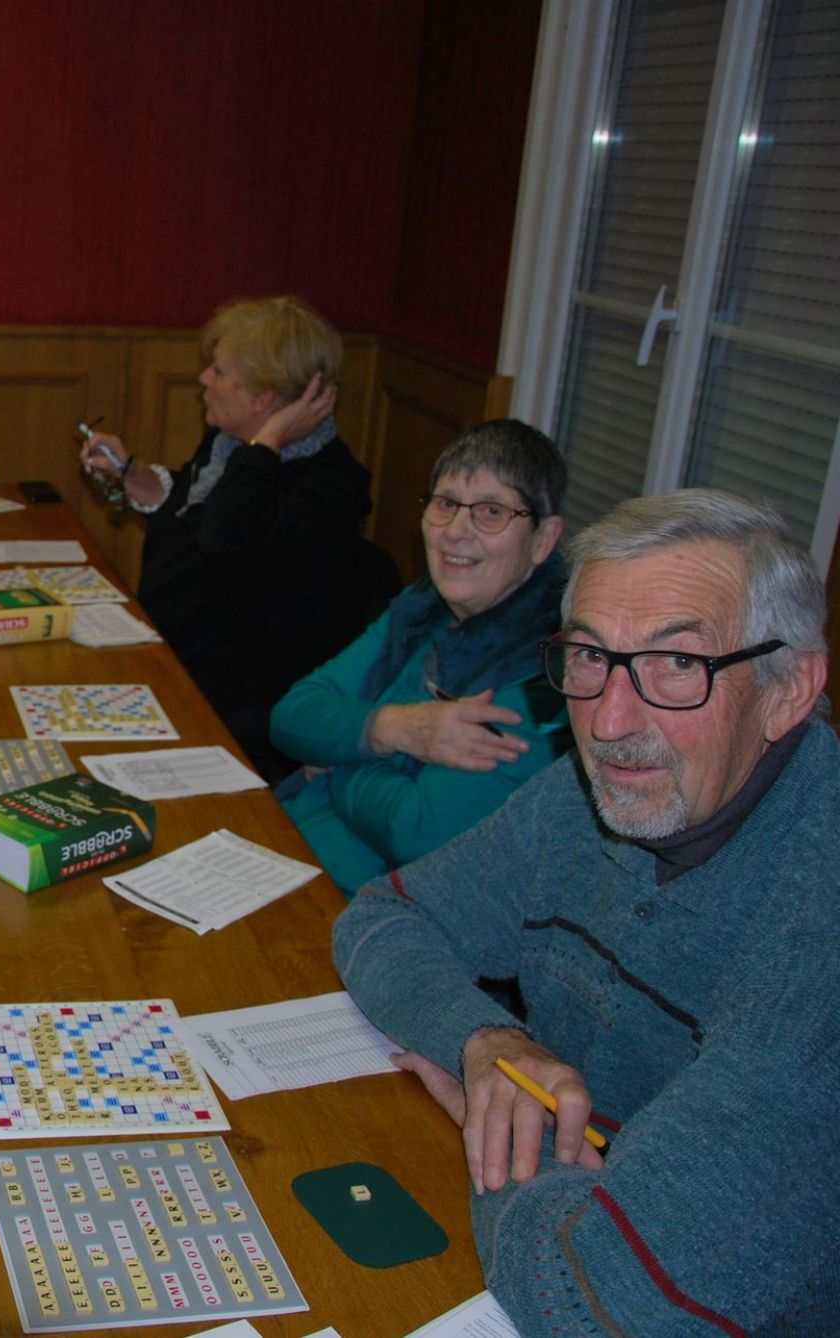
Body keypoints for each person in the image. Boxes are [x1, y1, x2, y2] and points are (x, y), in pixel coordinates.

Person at [333, 489, 835, 1334]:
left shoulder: (816, 935)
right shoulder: (596, 795)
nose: (607, 720)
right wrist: (486, 1041)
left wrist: (509, 1138)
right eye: (591, 656)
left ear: (788, 691)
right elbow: (384, 917)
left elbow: (594, 1306)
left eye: (677, 665)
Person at [270, 420, 570, 895]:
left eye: (491, 512)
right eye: (446, 503)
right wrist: (395, 729)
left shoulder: (545, 679)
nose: (456, 532)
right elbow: (290, 716)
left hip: (360, 908)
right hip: (283, 846)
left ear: (543, 539)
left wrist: (340, 753)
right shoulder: (422, 608)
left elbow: (415, 831)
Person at [78, 296, 370, 780]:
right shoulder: (231, 448)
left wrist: (268, 440)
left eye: (218, 371)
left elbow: (224, 538)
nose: (203, 379)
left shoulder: (326, 487)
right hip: (170, 668)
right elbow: (194, 517)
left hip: (237, 718)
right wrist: (133, 474)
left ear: (262, 399)